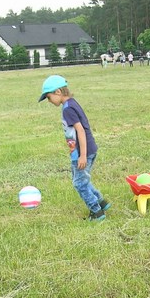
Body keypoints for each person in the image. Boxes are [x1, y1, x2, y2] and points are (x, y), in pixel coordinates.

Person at [39, 75, 110, 222]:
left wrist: (82, 156)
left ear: (58, 92)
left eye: (48, 97)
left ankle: (96, 212)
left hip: (82, 153)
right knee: (82, 180)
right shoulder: (71, 103)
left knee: (79, 183)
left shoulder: (68, 109)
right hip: (84, 150)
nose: (49, 101)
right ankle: (101, 202)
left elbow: (81, 131)